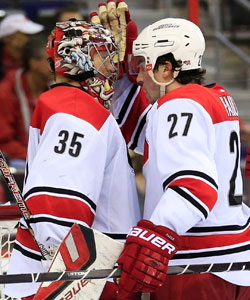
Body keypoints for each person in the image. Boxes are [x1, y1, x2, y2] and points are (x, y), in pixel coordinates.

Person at [110, 17, 250, 300]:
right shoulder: (214, 96)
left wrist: (155, 236)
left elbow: (194, 185)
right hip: (234, 260)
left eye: (142, 64)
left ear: (166, 69)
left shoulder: (178, 106)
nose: (138, 76)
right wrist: (121, 71)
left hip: (197, 265)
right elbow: (143, 133)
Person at [4, 20, 140, 300]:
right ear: (78, 59)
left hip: (73, 273)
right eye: (104, 55)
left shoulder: (67, 102)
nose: (111, 67)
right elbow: (56, 202)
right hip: (79, 278)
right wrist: (65, 280)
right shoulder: (76, 109)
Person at [0, 34, 51, 165]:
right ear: (33, 63)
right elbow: (4, 142)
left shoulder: (54, 89)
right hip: (17, 160)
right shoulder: (5, 91)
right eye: (50, 60)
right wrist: (37, 158)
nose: (57, 65)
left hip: (46, 157)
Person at [0, 13, 44, 79]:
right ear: (7, 38)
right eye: (27, 34)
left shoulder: (35, 61)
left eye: (34, 34)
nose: (33, 38)